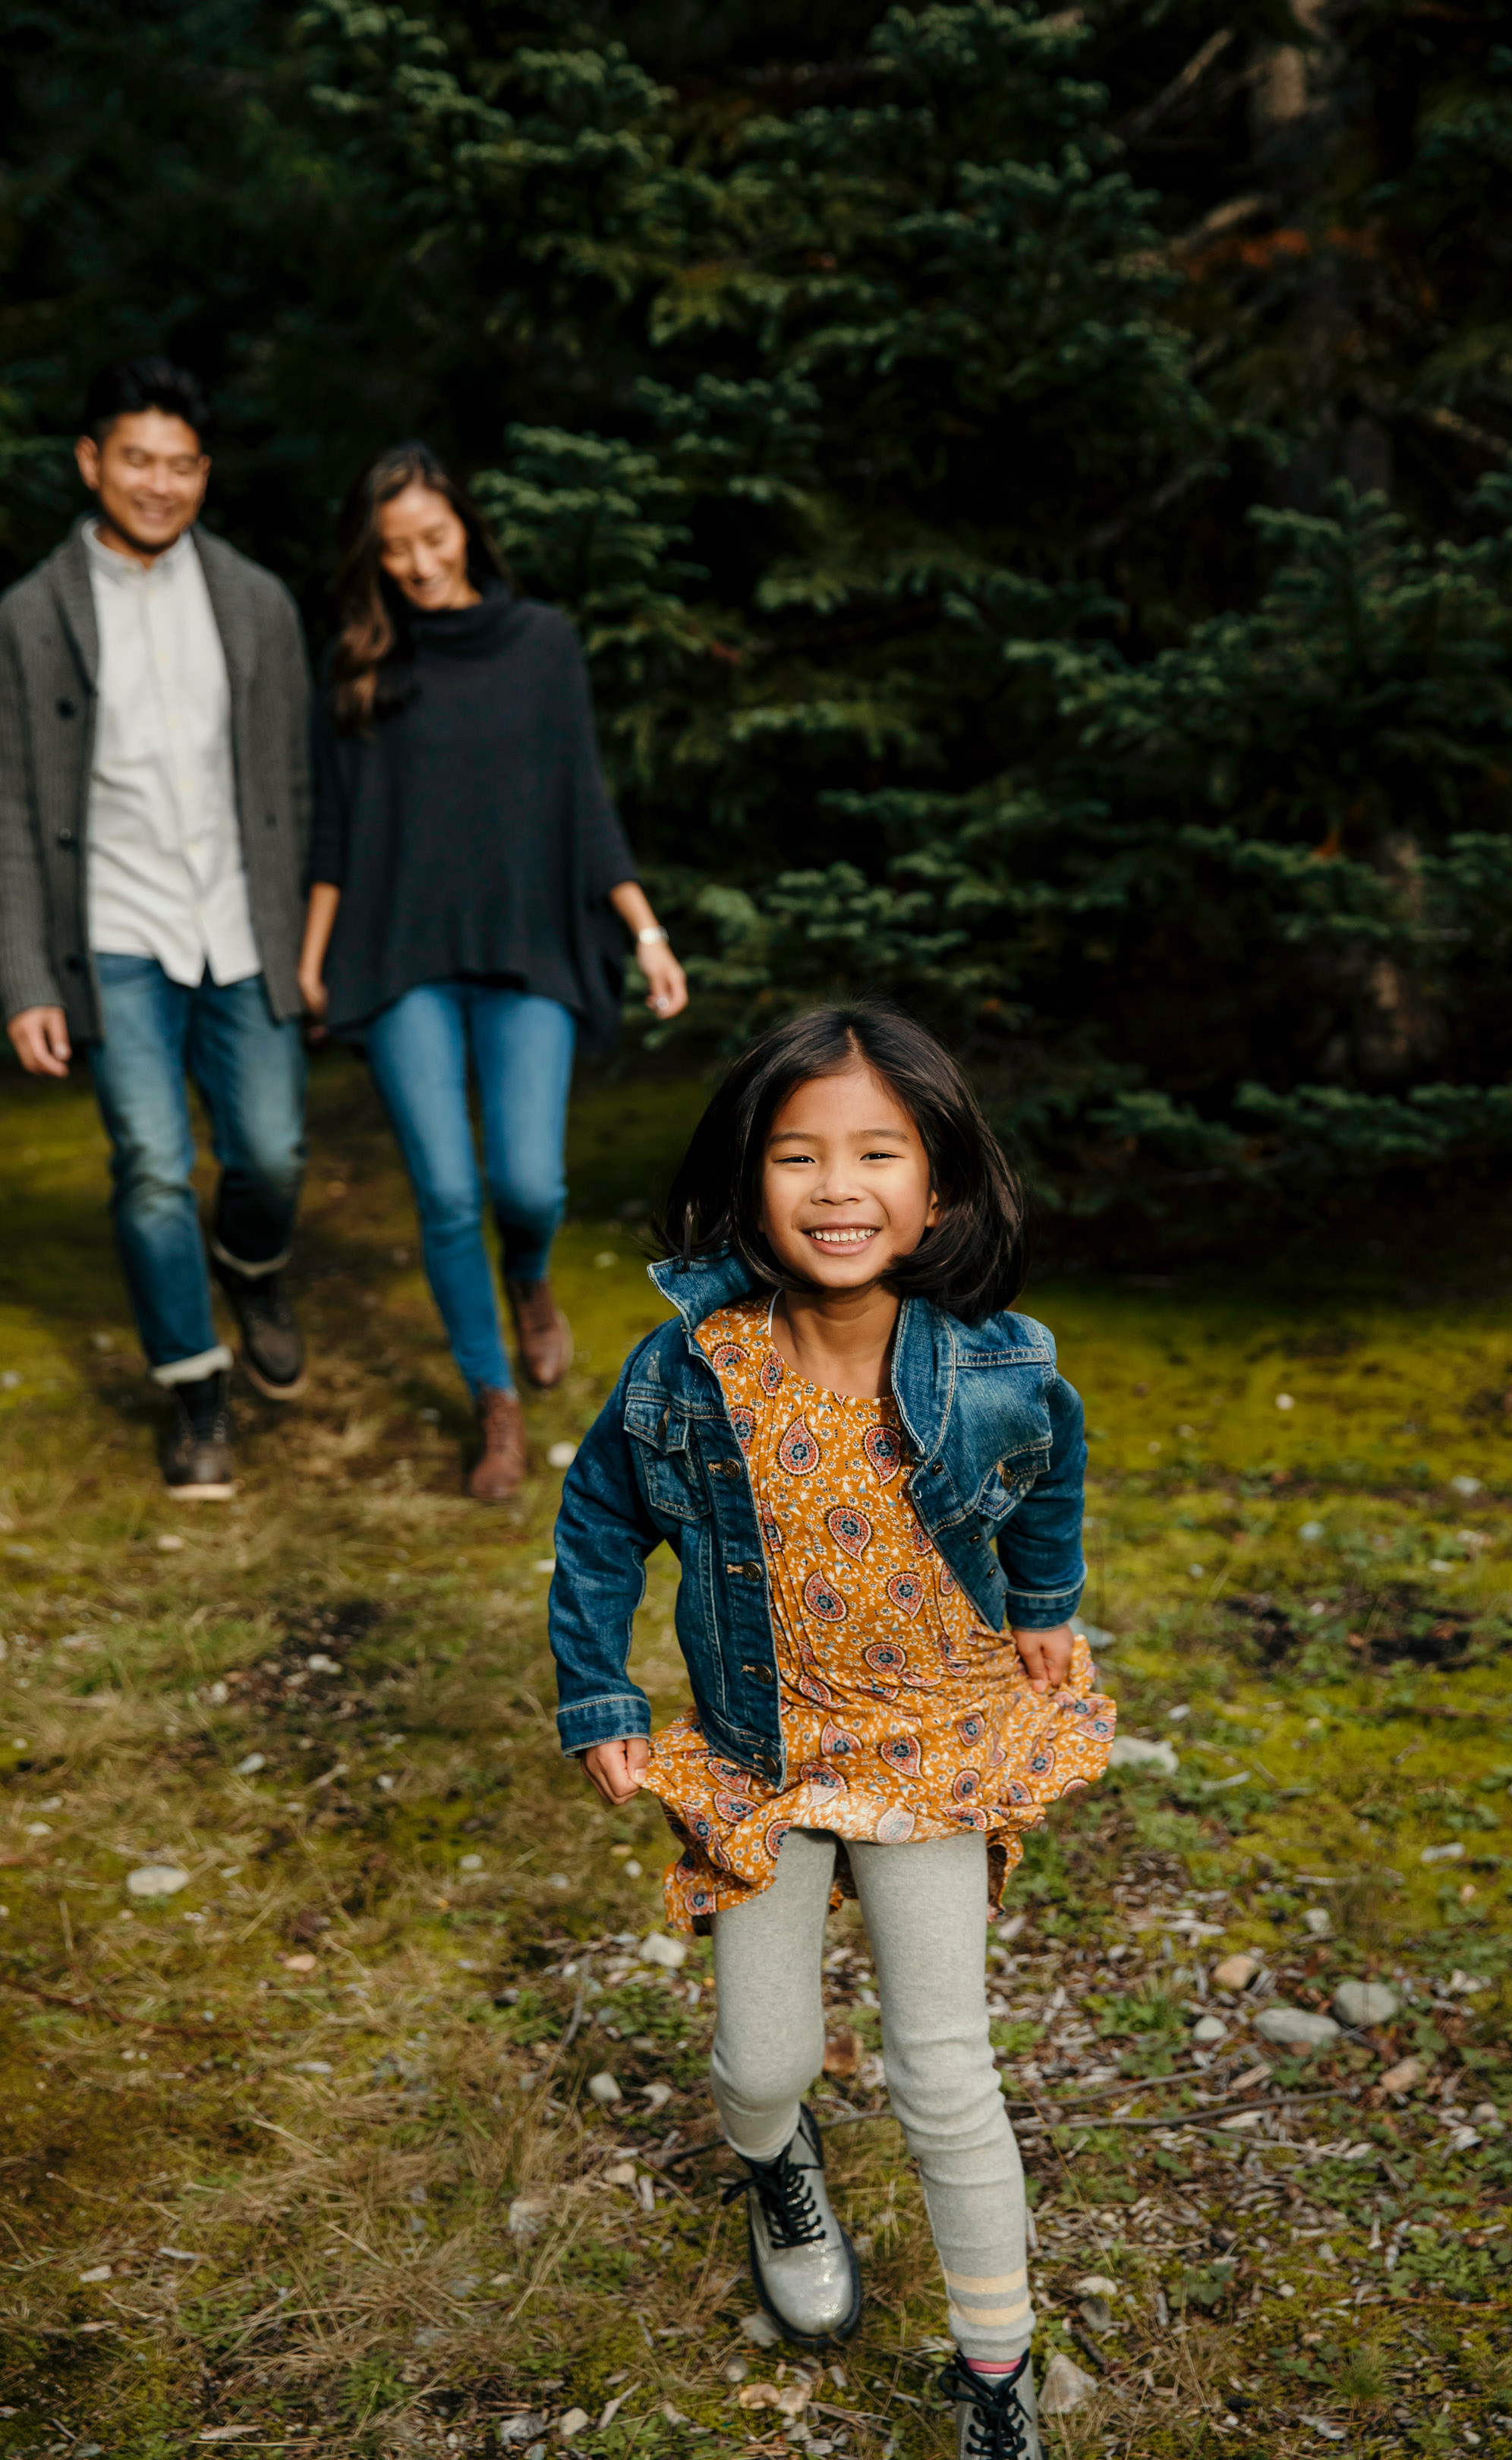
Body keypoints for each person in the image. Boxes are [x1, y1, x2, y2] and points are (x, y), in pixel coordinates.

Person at [547, 1003, 1117, 2460]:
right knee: (761, 2060)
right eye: (799, 1156)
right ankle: (778, 2164)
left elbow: (1051, 1472)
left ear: (938, 1186)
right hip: (762, 1756)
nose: (839, 1187)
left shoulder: (993, 1366)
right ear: (748, 1181)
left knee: (945, 2067)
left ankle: (996, 2377)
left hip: (928, 1741)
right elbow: (602, 1524)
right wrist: (601, 1693)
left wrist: (1046, 1602)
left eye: (879, 1152)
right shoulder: (689, 1374)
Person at [300, 442, 687, 1502]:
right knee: (442, 1188)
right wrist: (312, 957)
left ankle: (529, 1279)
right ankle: (494, 1406)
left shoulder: (543, 643)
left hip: (528, 945)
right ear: (372, 558)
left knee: (526, 1182)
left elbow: (583, 801)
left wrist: (645, 932)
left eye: (433, 537)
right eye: (394, 550)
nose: (419, 565)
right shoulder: (361, 660)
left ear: (465, 524)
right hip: (400, 952)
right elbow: (335, 828)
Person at [0, 355, 312, 1500]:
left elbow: (296, 779)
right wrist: (25, 977)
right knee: (148, 1166)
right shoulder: (28, 619)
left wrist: (314, 940)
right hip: (117, 929)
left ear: (204, 474)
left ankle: (255, 1262)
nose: (161, 484)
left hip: (241, 923)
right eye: (138, 459)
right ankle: (195, 1391)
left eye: (183, 465)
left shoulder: (257, 601)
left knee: (272, 1151)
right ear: (91, 462)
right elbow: (8, 811)